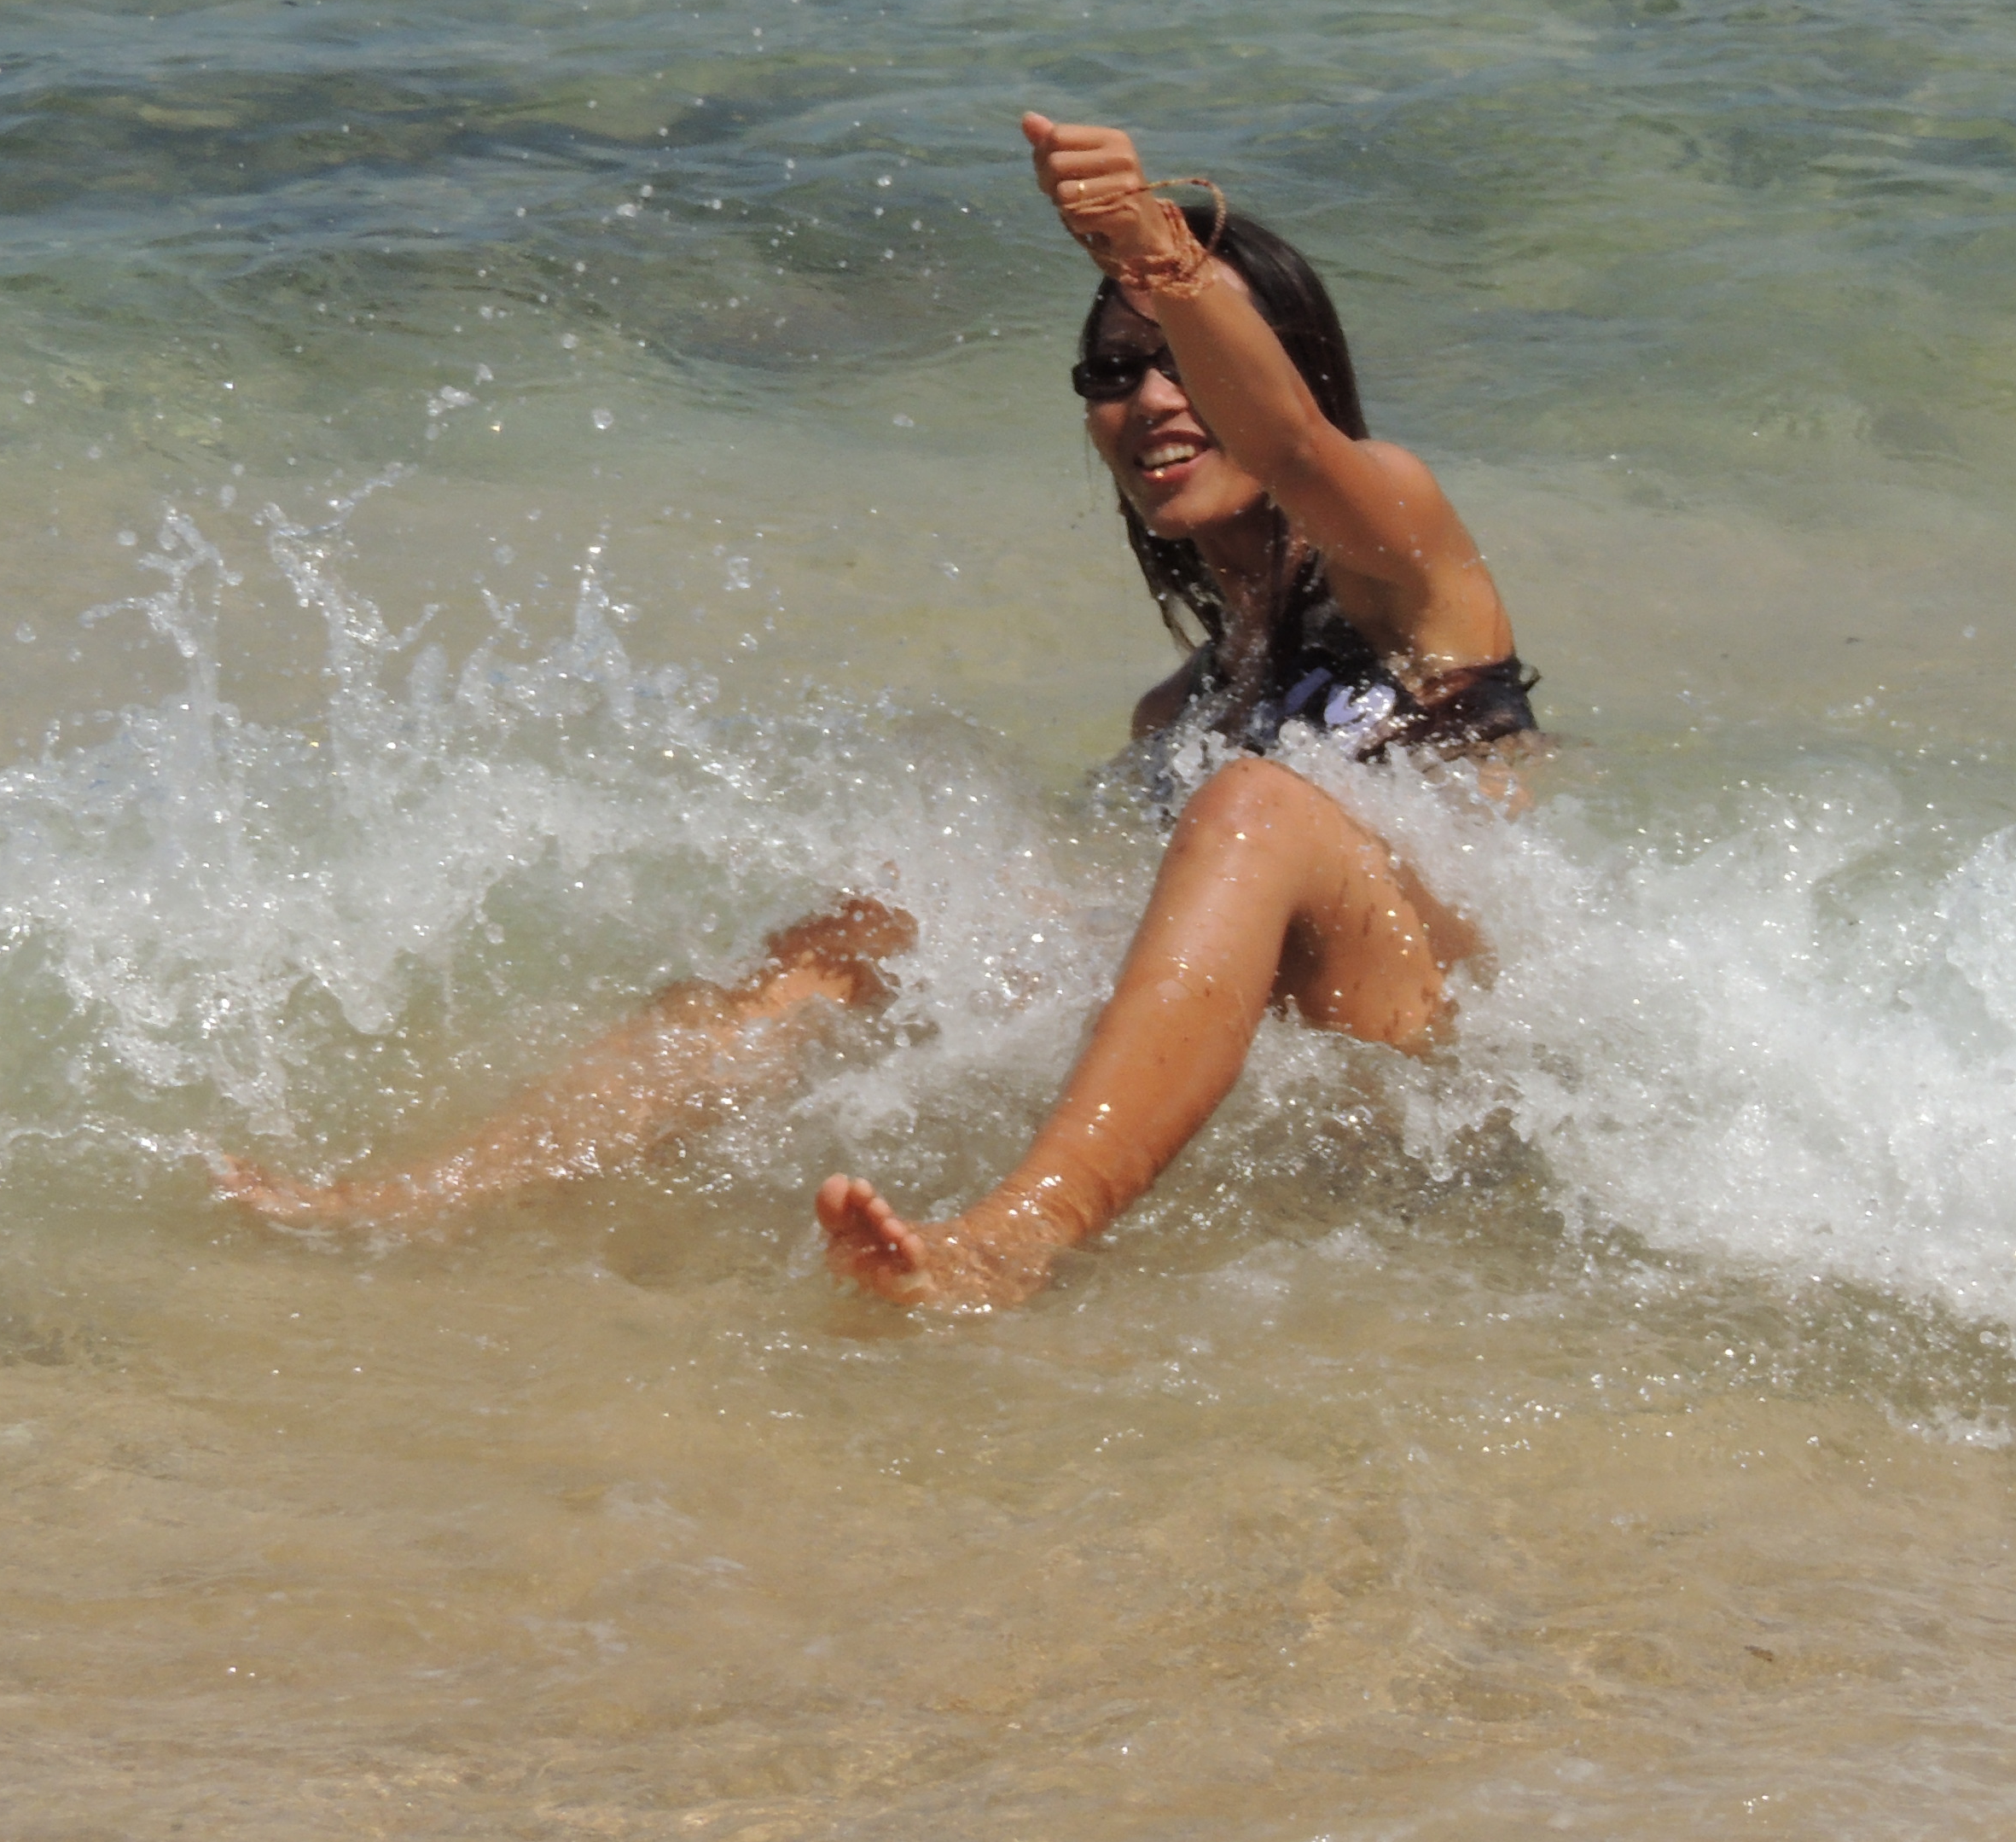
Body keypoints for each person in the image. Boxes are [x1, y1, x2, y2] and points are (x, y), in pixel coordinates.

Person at [218, 112, 1537, 1309]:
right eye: (1113, 372)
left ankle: (1017, 1238)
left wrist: (1159, 257)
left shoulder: (1409, 571)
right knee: (889, 919)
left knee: (1256, 807)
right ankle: (431, 1199)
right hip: (1305, 1122)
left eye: (1178, 359)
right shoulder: (1174, 714)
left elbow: (1303, 453)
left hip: (1441, 1102)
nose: (1149, 399)